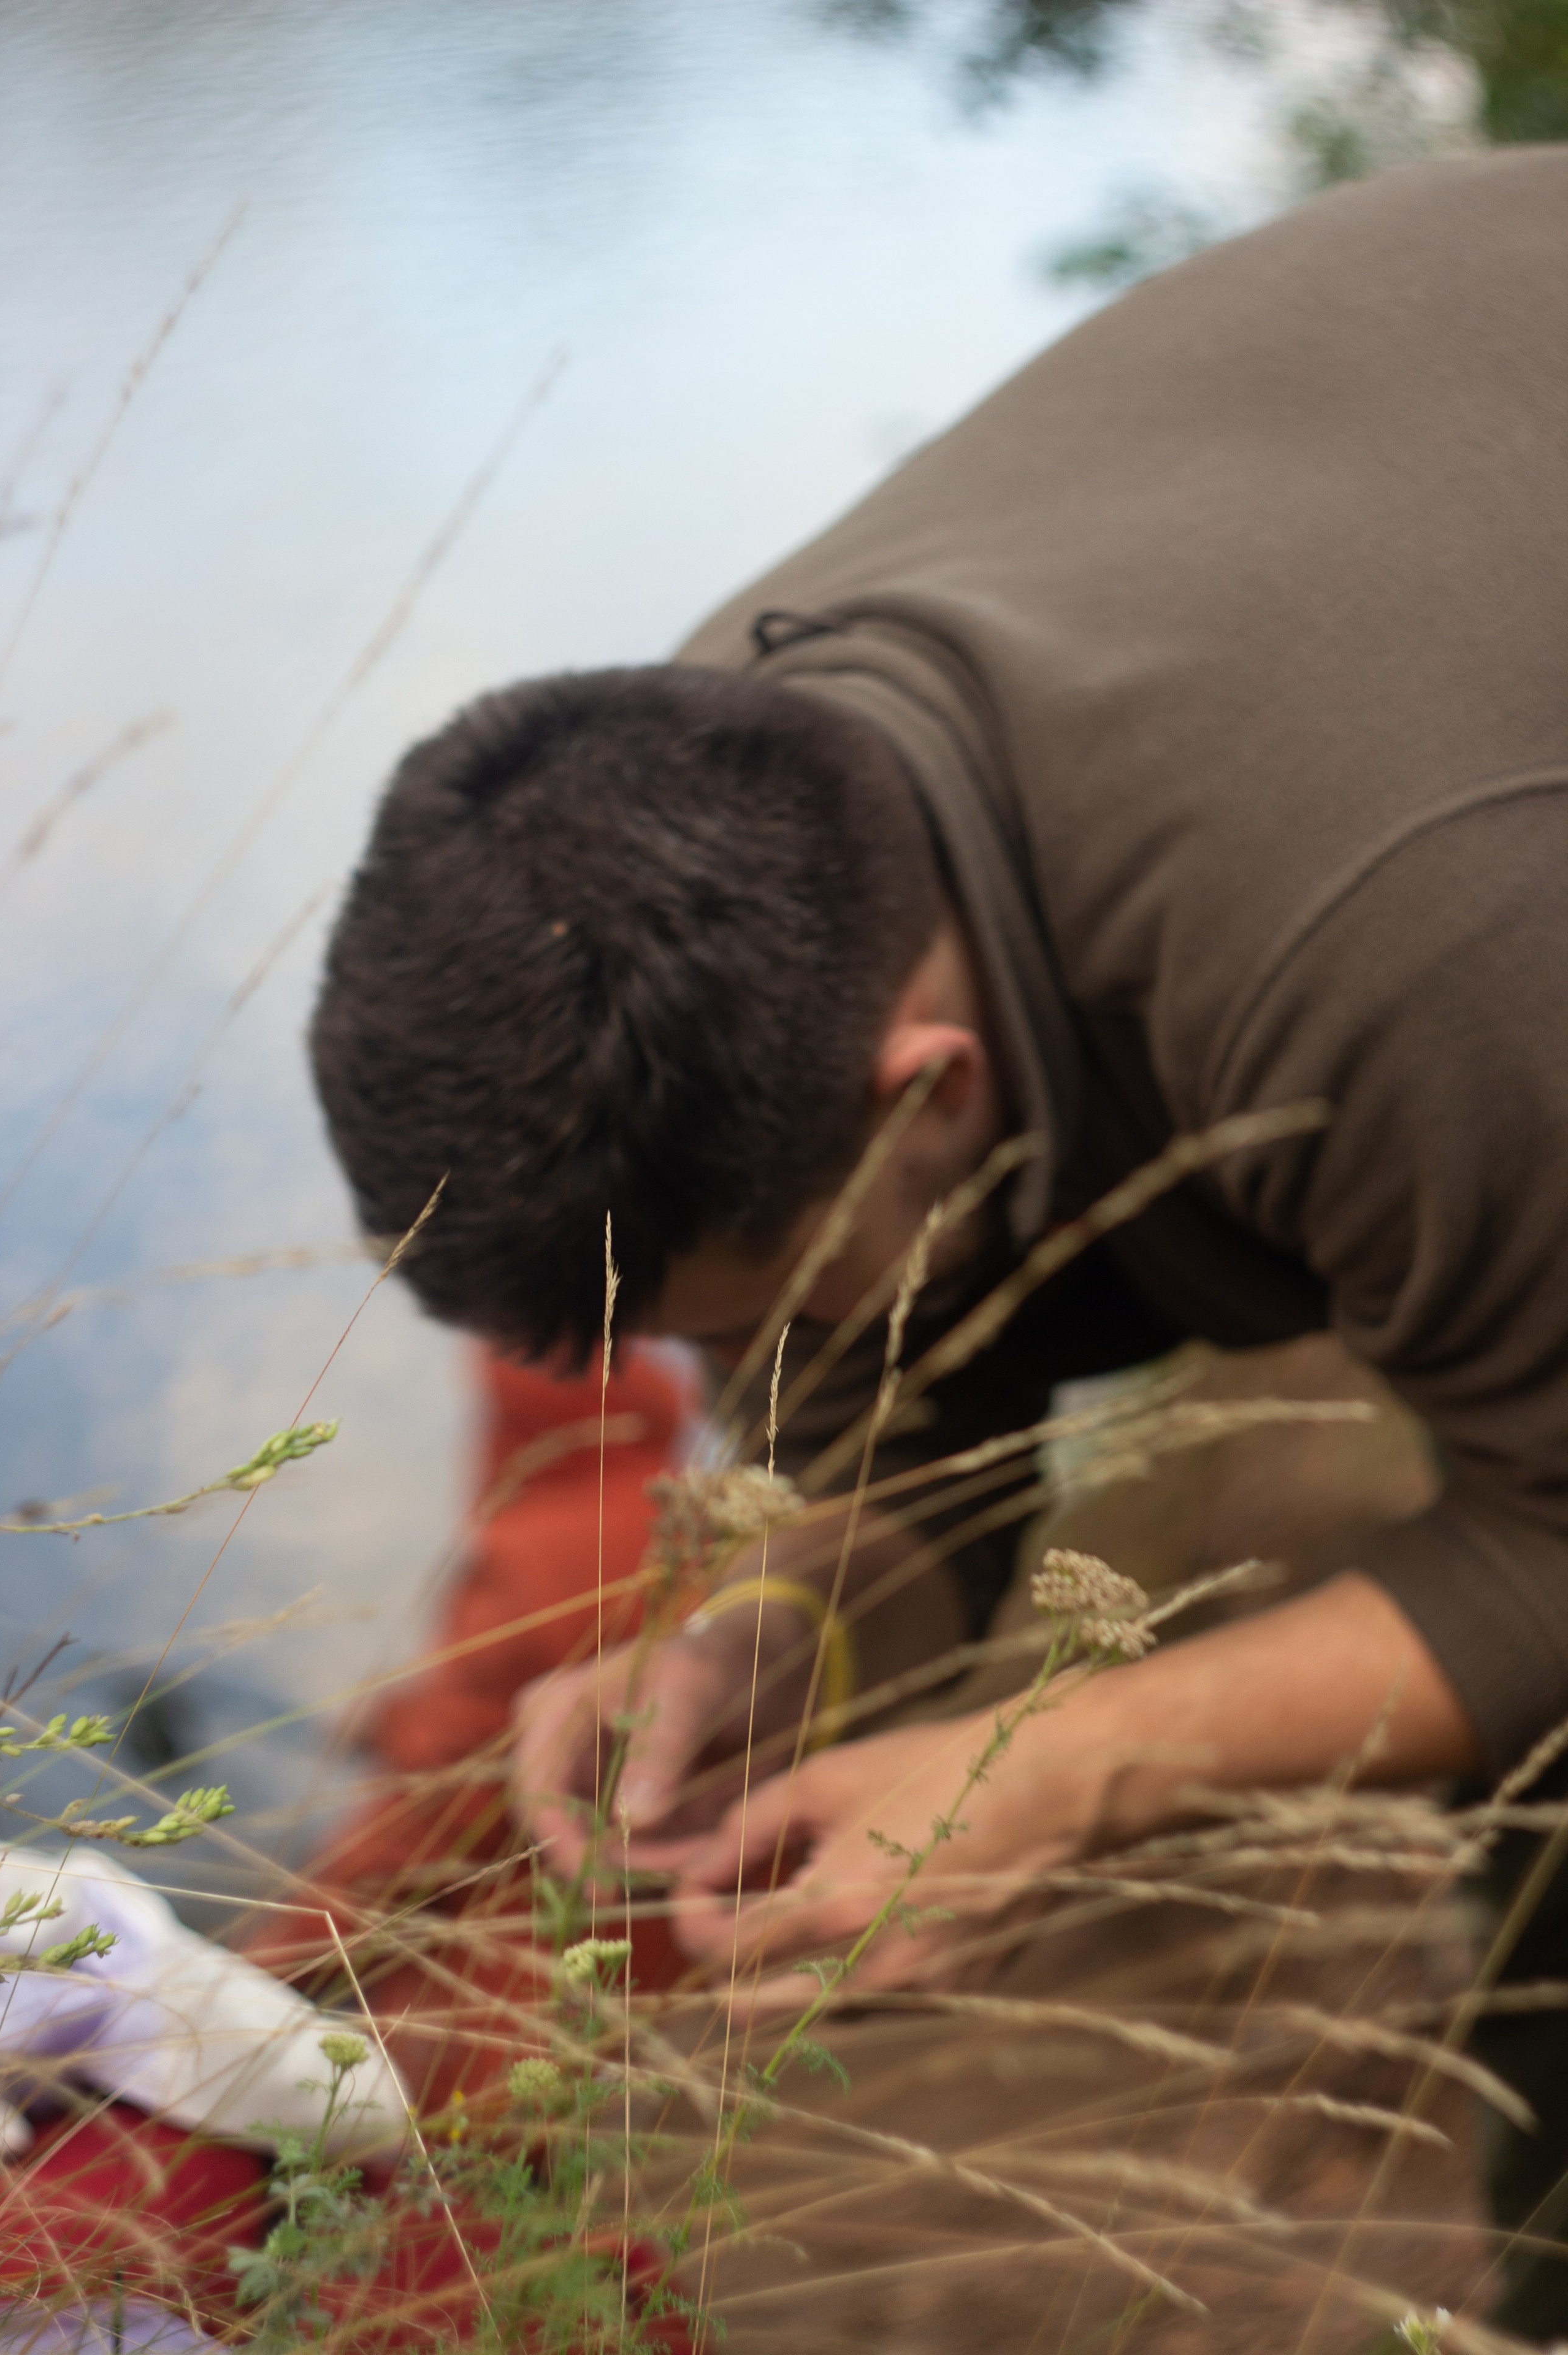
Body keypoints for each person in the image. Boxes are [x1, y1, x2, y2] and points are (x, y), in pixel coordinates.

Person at [308, 149, 1568, 2329]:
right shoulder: (693, 841)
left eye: (783, 1304)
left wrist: (1057, 1772)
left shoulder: (1409, 957)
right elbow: (891, 1399)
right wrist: (769, 1633)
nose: (759, 1364)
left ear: (930, 1092)